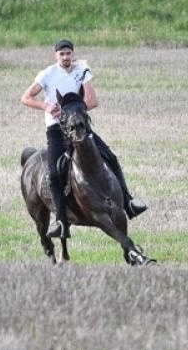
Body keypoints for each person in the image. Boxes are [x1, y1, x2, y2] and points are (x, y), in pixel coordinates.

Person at [20, 38, 147, 236]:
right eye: (62, 54)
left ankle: (128, 202)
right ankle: (61, 222)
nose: (65, 57)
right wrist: (46, 106)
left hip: (80, 126)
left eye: (68, 53)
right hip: (56, 130)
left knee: (110, 157)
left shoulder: (82, 70)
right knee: (54, 174)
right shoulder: (47, 74)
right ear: (56, 56)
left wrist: (74, 112)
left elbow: (92, 100)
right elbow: (26, 98)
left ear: (73, 54)